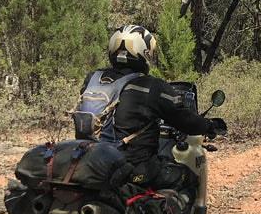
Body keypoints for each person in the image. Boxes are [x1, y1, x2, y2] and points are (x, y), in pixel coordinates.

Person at [78, 25, 225, 192]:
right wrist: (209, 125)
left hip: (88, 163)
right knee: (187, 178)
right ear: (146, 53)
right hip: (133, 168)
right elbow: (186, 120)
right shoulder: (152, 86)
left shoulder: (92, 79)